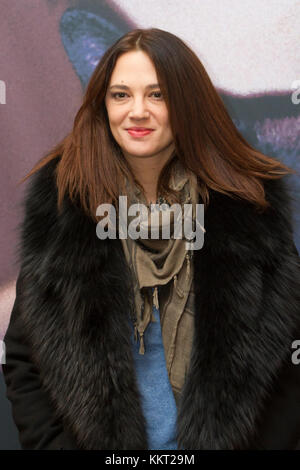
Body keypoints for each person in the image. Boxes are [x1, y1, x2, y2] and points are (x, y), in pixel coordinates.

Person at [2, 28, 300, 450]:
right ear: (103, 106)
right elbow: (24, 360)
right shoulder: (66, 210)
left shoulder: (249, 210)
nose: (137, 111)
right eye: (120, 95)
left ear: (187, 104)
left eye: (157, 95)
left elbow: (289, 366)